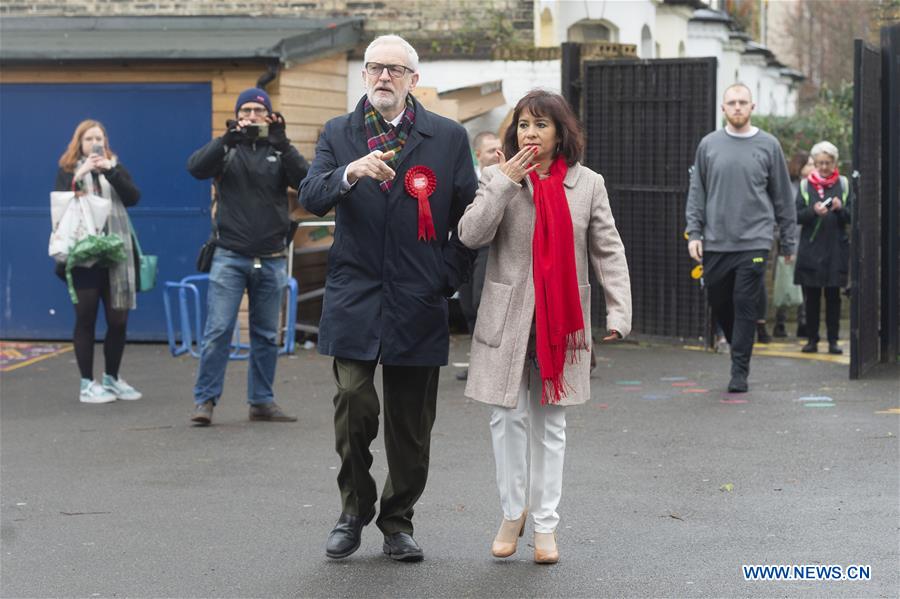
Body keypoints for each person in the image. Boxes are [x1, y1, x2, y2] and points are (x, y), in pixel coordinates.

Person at [298, 35, 477, 562]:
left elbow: (470, 219)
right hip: (355, 293)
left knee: (410, 424)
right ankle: (353, 510)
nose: (383, 77)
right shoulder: (338, 133)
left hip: (419, 295)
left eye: (395, 70)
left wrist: (447, 276)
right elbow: (310, 194)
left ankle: (398, 520)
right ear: (364, 77)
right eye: (375, 68)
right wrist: (349, 172)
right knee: (352, 401)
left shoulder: (446, 137)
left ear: (412, 80)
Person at [458, 90, 632, 564]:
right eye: (523, 125)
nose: (529, 134)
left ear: (561, 133)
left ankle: (546, 525)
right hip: (508, 316)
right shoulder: (497, 177)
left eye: (541, 125)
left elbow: (607, 250)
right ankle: (512, 513)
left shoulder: (588, 184)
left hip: (562, 321)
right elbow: (471, 235)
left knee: (550, 425)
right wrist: (504, 184)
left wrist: (619, 312)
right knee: (506, 418)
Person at [186, 88, 308, 426]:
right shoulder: (227, 149)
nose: (252, 117)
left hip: (271, 255)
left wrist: (283, 143)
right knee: (219, 329)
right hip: (230, 254)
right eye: (246, 111)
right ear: (238, 115)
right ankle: (205, 401)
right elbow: (195, 167)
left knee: (267, 334)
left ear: (269, 116)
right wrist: (227, 138)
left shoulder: (278, 149)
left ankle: (261, 401)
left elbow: (307, 182)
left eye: (258, 111)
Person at [685, 83, 796, 392]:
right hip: (717, 241)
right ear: (723, 108)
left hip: (755, 240)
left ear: (752, 107)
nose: (737, 107)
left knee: (745, 302)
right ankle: (739, 344)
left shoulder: (769, 145)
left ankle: (739, 371)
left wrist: (788, 242)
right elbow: (698, 193)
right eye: (731, 102)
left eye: (742, 102)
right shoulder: (709, 145)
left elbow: (783, 198)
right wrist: (695, 232)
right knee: (719, 301)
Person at [54, 120, 143, 404]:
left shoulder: (114, 166)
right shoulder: (68, 170)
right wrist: (81, 174)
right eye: (89, 138)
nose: (95, 143)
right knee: (86, 317)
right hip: (84, 254)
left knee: (118, 319)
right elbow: (60, 205)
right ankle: (86, 383)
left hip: (116, 253)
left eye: (99, 138)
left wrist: (110, 171)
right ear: (79, 143)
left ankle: (112, 378)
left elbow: (133, 197)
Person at [794, 141, 851, 355]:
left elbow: (853, 215)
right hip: (812, 249)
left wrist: (840, 208)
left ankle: (833, 341)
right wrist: (813, 211)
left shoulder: (844, 184)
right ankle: (812, 340)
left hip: (836, 248)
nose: (824, 167)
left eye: (827, 163)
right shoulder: (805, 185)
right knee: (812, 298)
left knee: (834, 298)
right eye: (819, 163)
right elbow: (797, 216)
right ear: (814, 163)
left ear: (835, 162)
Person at [456, 131, 501, 381]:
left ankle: (493, 363)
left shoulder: (506, 177)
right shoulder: (467, 178)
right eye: (491, 150)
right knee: (467, 306)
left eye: (499, 148)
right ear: (478, 155)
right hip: (465, 247)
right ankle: (479, 362)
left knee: (481, 302)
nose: (497, 154)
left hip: (490, 247)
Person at [772, 151, 813, 338]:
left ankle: (802, 322)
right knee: (785, 281)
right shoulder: (790, 187)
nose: (813, 168)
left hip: (804, 241)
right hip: (788, 240)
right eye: (810, 164)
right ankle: (780, 323)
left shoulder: (811, 186)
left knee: (802, 283)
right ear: (800, 165)